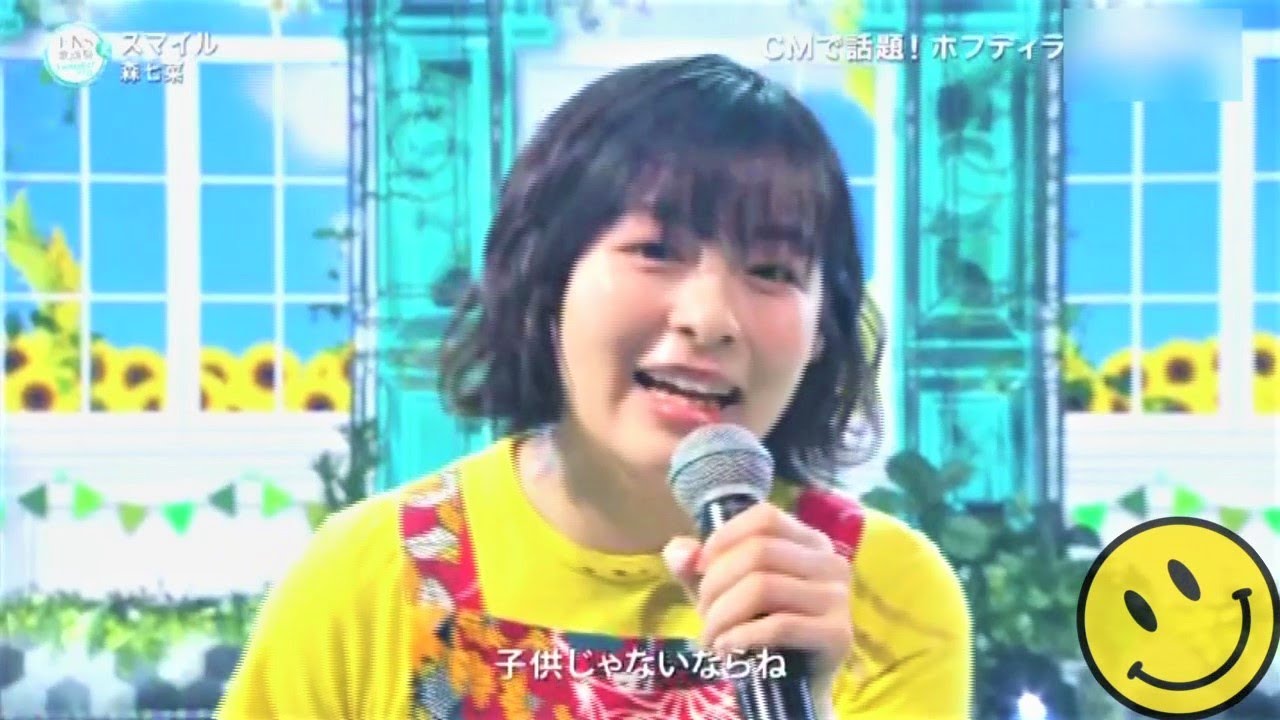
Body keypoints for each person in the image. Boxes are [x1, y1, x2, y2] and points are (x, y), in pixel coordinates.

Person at [217, 54, 971, 719]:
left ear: (824, 329)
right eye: (655, 250)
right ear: (547, 278)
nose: (710, 319)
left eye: (772, 271)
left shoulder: (883, 591)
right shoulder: (371, 571)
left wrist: (809, 703)